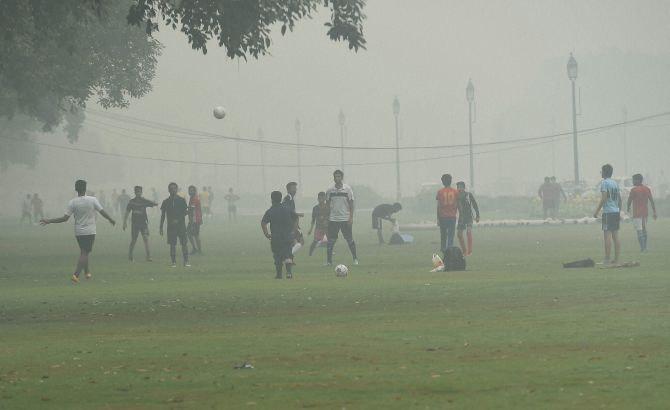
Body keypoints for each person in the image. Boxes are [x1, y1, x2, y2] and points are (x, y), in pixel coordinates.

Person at [39, 179, 115, 283]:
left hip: (78, 232)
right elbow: (102, 212)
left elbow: (64, 218)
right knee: (85, 252)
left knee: (84, 251)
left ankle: (87, 272)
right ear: (85, 188)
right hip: (90, 231)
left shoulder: (72, 202)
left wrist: (49, 221)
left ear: (76, 189)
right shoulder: (92, 200)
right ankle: (76, 275)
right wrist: (110, 219)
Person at [261, 191, 298, 279]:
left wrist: (266, 234)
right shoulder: (287, 208)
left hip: (276, 237)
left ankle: (279, 274)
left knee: (277, 256)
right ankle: (289, 273)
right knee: (288, 254)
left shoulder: (270, 211)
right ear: (281, 198)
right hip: (288, 236)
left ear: (272, 199)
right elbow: (296, 217)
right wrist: (294, 230)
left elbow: (263, 223)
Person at [325, 170, 358, 266]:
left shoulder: (347, 189)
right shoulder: (330, 190)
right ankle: (329, 262)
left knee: (349, 239)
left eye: (339, 176)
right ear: (333, 178)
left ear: (342, 177)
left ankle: (355, 259)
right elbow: (327, 206)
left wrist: (351, 217)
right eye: (335, 176)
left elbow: (351, 204)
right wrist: (327, 219)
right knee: (331, 241)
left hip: (345, 219)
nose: (337, 178)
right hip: (333, 219)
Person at [593, 164, 622, 265]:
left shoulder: (604, 183)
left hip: (608, 212)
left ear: (604, 172)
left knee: (607, 236)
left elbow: (604, 198)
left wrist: (596, 211)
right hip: (615, 211)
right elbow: (620, 199)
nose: (601, 173)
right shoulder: (615, 183)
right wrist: (619, 210)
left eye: (601, 171)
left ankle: (607, 259)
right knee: (616, 235)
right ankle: (616, 259)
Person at [123, 185, 157, 262]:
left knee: (145, 238)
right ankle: (130, 256)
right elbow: (127, 212)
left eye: (139, 191)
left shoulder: (144, 201)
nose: (138, 193)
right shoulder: (132, 202)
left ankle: (148, 256)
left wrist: (155, 203)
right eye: (137, 191)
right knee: (134, 240)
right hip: (135, 224)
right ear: (135, 192)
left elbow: (152, 203)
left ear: (141, 192)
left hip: (143, 223)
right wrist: (124, 222)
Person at [160, 182, 190, 268]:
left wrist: (178, 219)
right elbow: (163, 215)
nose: (173, 190)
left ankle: (186, 261)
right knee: (172, 245)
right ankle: (173, 262)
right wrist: (161, 227)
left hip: (181, 226)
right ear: (169, 190)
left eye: (174, 188)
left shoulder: (181, 200)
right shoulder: (165, 202)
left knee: (184, 244)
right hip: (171, 227)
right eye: (171, 188)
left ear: (177, 189)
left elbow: (186, 212)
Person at [627, 173, 657, 252]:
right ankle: (645, 247)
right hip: (645, 213)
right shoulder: (647, 189)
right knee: (644, 229)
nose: (633, 181)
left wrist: (628, 208)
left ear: (638, 180)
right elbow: (651, 201)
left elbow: (629, 200)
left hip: (637, 214)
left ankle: (643, 248)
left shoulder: (634, 190)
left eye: (633, 180)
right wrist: (654, 212)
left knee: (639, 230)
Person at [456, 181, 480, 256]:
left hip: (469, 216)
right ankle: (464, 251)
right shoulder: (456, 196)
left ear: (464, 187)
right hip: (461, 217)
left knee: (468, 232)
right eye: (458, 187)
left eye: (460, 187)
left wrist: (477, 215)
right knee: (459, 234)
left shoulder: (468, 195)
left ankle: (470, 251)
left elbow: (474, 204)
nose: (459, 188)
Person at [436, 174, 459, 253]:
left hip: (443, 216)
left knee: (443, 235)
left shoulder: (440, 192)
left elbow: (438, 206)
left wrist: (438, 218)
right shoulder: (455, 192)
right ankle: (449, 248)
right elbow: (457, 204)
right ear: (450, 181)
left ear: (443, 182)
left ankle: (443, 248)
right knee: (451, 235)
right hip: (452, 216)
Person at [283, 182, 304, 257]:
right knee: (300, 242)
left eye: (295, 188)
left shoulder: (291, 198)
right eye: (293, 188)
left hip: (293, 223)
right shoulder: (287, 198)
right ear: (288, 190)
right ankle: (288, 256)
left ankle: (288, 257)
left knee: (295, 242)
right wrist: (298, 214)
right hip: (291, 224)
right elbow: (287, 210)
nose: (295, 190)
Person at [307, 192, 329, 256]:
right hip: (318, 227)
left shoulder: (328, 207)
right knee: (315, 241)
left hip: (327, 228)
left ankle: (330, 252)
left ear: (325, 198)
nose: (321, 199)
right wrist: (310, 229)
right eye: (320, 198)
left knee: (330, 241)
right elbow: (313, 219)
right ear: (318, 199)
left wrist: (327, 221)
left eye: (322, 198)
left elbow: (330, 217)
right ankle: (310, 254)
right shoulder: (315, 208)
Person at [187, 185, 203, 255]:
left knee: (196, 235)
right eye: (189, 190)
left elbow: (192, 209)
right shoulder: (192, 198)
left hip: (195, 219)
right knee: (189, 233)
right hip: (193, 219)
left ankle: (199, 250)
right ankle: (195, 248)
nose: (190, 192)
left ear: (194, 191)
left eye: (192, 190)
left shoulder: (195, 198)